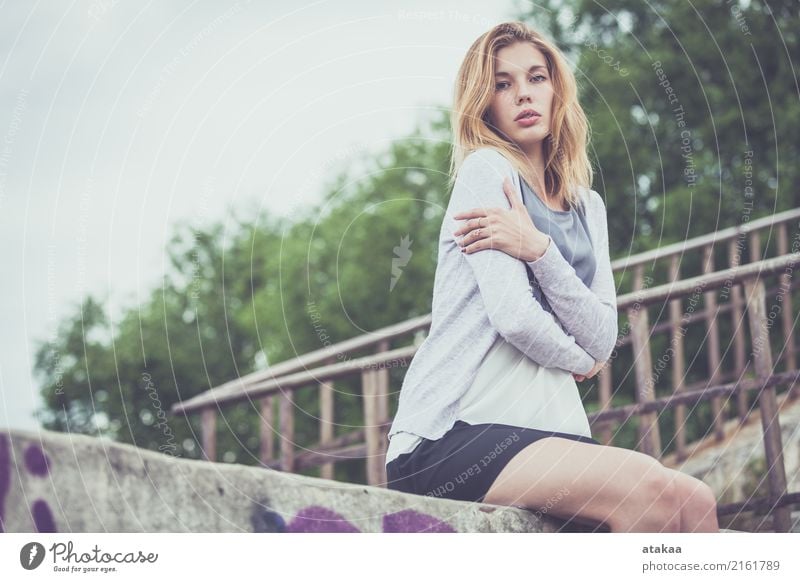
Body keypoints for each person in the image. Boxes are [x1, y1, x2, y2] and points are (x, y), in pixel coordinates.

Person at [384, 21, 718, 533]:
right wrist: (582, 357)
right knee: (648, 494)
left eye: (536, 77)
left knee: (693, 502)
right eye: (502, 83)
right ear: (484, 102)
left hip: (545, 431)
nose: (523, 93)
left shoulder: (590, 207)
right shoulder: (486, 172)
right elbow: (515, 317)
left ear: (556, 88)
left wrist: (538, 248)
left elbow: (605, 332)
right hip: (450, 433)